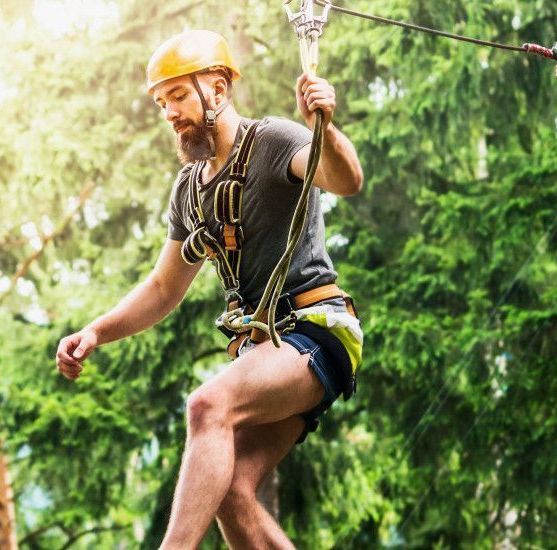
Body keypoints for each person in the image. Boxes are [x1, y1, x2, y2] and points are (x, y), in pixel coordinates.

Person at [53, 29, 366, 548]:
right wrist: (95, 332)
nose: (169, 112)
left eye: (178, 96)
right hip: (268, 347)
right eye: (161, 101)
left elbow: (344, 178)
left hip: (318, 329)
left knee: (207, 407)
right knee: (229, 490)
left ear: (217, 91)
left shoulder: (275, 141)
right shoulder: (190, 189)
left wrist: (325, 129)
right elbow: (162, 288)